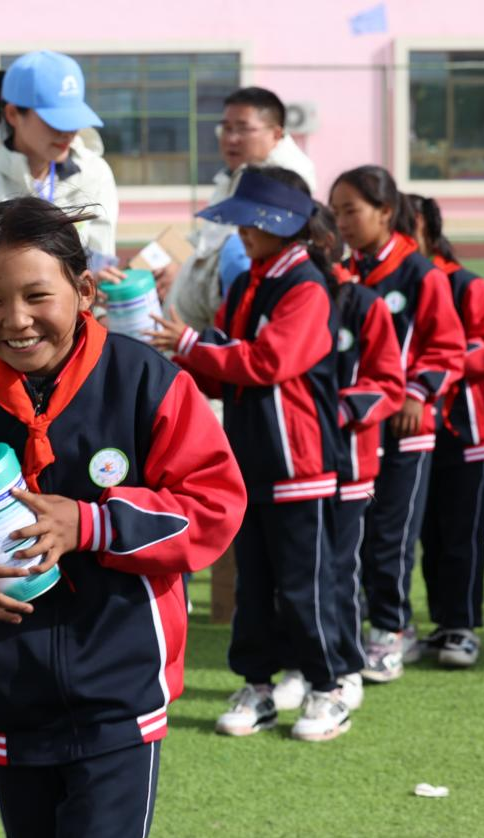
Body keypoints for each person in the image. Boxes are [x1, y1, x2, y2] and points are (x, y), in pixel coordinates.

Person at [0, 197, 245, 838]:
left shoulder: (146, 382)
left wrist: (92, 525)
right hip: (1, 688)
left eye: (37, 295)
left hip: (119, 689)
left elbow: (213, 506)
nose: (16, 320)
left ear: (84, 290)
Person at [151, 167, 353, 741]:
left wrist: (191, 344)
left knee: (304, 585)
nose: (242, 231)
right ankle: (258, 687)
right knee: (253, 585)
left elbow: (268, 362)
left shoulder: (306, 285)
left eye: (252, 222)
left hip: (299, 463)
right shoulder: (247, 283)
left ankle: (328, 688)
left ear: (286, 226)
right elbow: (228, 369)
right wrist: (179, 361)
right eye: (240, 221)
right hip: (251, 459)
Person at [329, 166, 465, 684]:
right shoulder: (341, 274)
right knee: (355, 535)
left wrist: (415, 394)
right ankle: (360, 625)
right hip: (356, 430)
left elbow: (447, 348)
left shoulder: (421, 274)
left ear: (385, 212)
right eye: (336, 213)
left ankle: (391, 631)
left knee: (392, 535)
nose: (342, 223)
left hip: (407, 429)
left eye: (351, 211)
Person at [409, 194, 484, 668]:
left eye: (407, 226)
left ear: (428, 229)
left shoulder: (464, 284)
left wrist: (434, 365)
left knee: (462, 531)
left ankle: (463, 626)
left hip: (465, 427)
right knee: (427, 531)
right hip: (416, 427)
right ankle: (442, 623)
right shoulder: (398, 282)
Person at [313, 202, 404, 708]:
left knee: (338, 570)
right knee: (295, 574)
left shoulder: (363, 304)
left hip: (347, 464)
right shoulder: (278, 298)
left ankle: (344, 666)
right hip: (291, 465)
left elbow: (388, 383)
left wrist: (329, 410)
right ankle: (306, 665)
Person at [163, 87, 318, 329]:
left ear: (276, 134)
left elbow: (240, 251)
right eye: (226, 128)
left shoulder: (282, 184)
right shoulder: (238, 173)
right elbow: (208, 238)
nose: (231, 138)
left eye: (243, 129)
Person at [0, 51, 119, 262]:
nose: (67, 133)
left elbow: (101, 256)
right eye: (55, 121)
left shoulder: (94, 172)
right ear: (13, 114)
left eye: (74, 120)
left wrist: (99, 273)